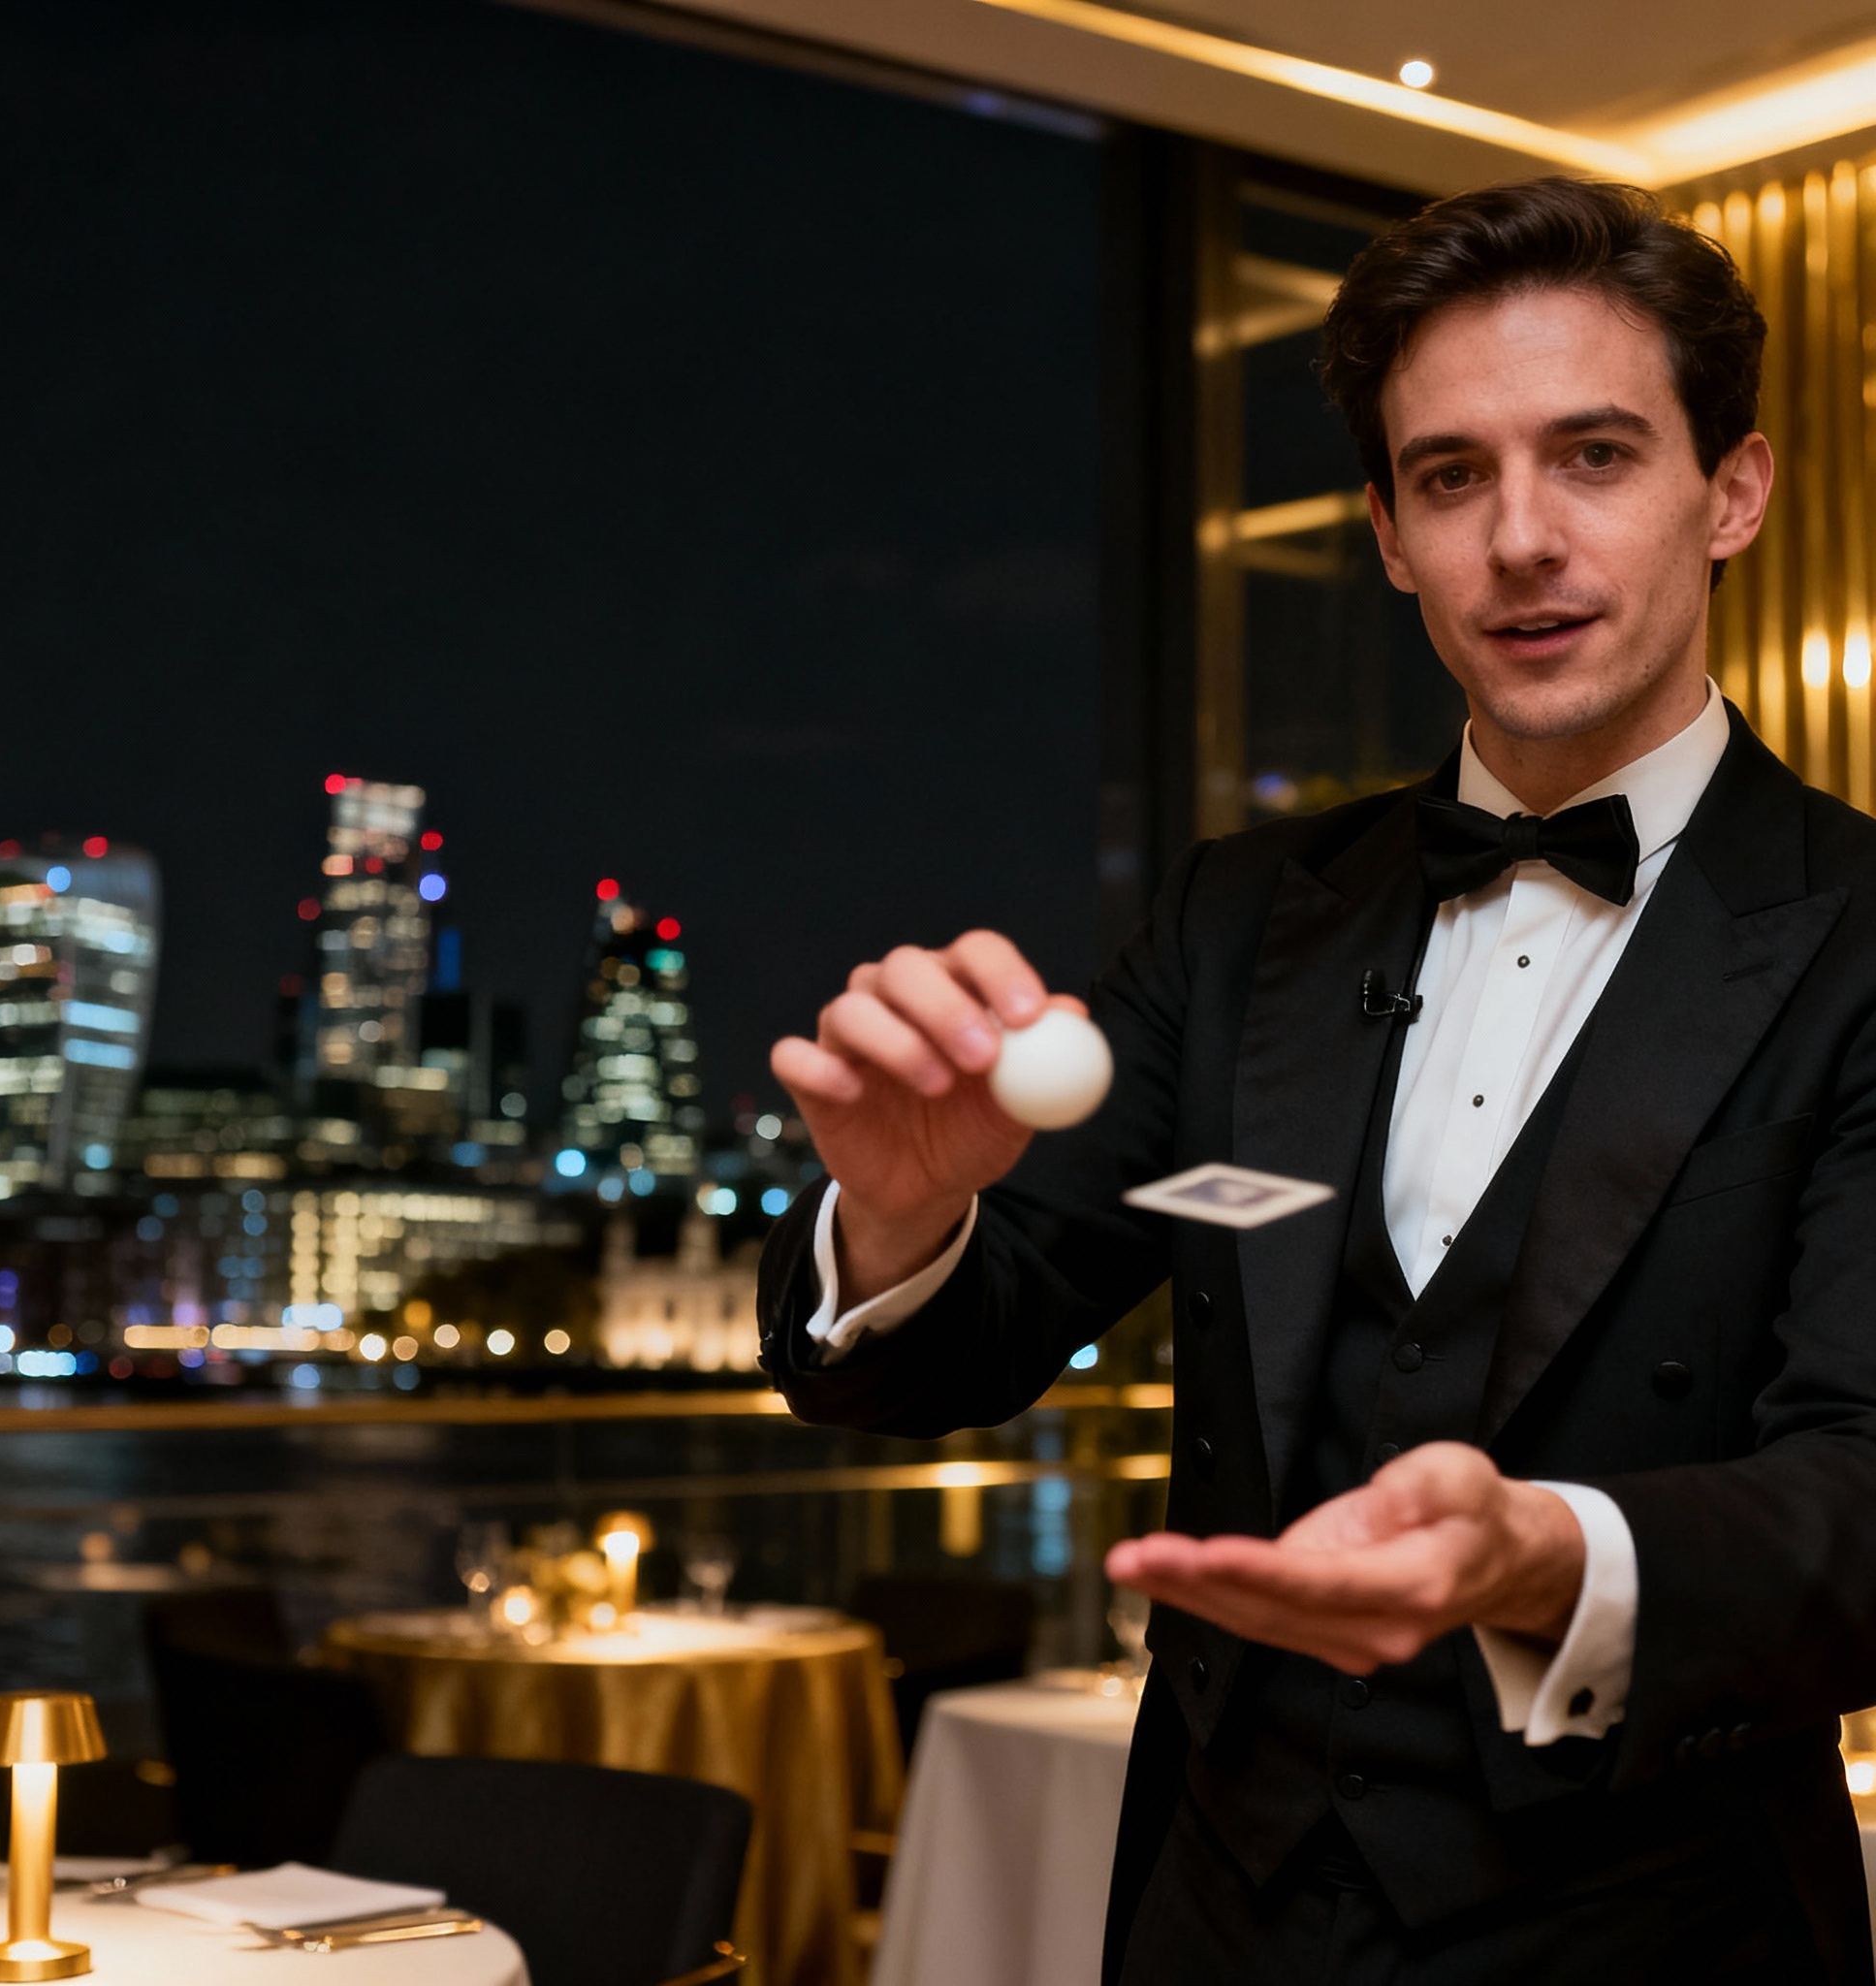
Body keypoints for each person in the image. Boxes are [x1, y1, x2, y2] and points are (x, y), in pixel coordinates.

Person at [757, 176, 1876, 1979]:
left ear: (1731, 491)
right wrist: (899, 1214)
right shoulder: (1240, 915)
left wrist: (1547, 1555)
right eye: (1451, 475)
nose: (1520, 538)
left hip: (1659, 1926)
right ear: (1388, 532)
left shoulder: (1864, 936)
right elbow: (944, 1357)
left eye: (1594, 456)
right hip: (1216, 1908)